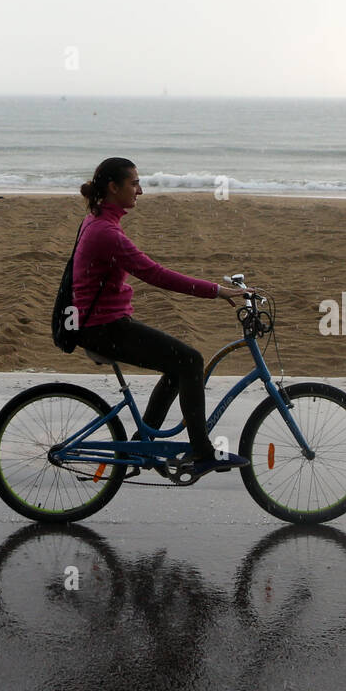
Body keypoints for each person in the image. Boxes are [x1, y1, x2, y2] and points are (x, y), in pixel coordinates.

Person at [72, 157, 251, 478]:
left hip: (100, 325)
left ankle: (142, 445)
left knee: (177, 365)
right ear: (114, 188)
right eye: (134, 183)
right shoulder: (106, 233)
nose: (140, 190)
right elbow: (156, 274)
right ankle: (202, 450)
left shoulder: (99, 220)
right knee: (192, 361)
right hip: (105, 329)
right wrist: (216, 291)